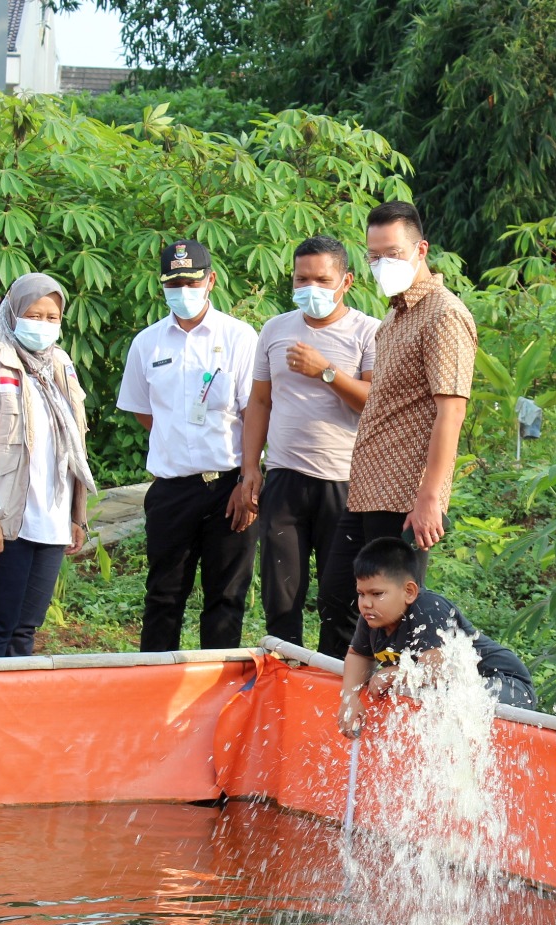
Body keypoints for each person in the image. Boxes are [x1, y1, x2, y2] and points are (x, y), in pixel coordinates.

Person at [317, 201, 477, 659]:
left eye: (392, 252)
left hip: (405, 495)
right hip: (367, 488)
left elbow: (451, 411)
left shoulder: (444, 314)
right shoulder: (392, 318)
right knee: (338, 599)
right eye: (373, 255)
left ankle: (400, 710)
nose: (381, 264)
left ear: (420, 249)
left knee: (395, 617)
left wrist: (430, 498)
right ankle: (342, 703)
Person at [117, 239, 259, 651]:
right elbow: (145, 412)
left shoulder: (239, 338)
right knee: (163, 596)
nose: (183, 291)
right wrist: (176, 442)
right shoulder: (148, 343)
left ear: (210, 280)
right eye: (173, 283)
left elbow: (254, 413)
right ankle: (153, 691)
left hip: (229, 486)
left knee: (226, 598)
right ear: (162, 286)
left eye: (191, 281)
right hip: (171, 489)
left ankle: (221, 695)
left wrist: (250, 479)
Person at [239, 235, 379, 645]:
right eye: (302, 279)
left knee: (340, 601)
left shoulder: (368, 332)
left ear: (346, 281)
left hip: (345, 482)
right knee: (280, 596)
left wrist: (325, 371)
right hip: (285, 477)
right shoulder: (275, 329)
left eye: (322, 279)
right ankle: (283, 684)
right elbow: (260, 402)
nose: (310, 289)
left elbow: (373, 402)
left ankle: (334, 688)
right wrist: (251, 468)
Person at [0, 273, 96, 659]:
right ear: (11, 312)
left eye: (52, 317)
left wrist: (75, 518)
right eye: (33, 314)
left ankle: (9, 714)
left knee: (24, 630)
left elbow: (72, 446)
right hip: (4, 523)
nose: (43, 324)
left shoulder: (58, 365)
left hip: (49, 520)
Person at [337, 537, 535, 737]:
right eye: (361, 594)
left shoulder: (428, 608)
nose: (366, 603)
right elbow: (358, 655)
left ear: (409, 592)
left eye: (376, 593)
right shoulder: (373, 616)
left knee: (451, 702)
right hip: (460, 691)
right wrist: (350, 698)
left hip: (506, 685)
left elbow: (436, 671)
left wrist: (395, 673)